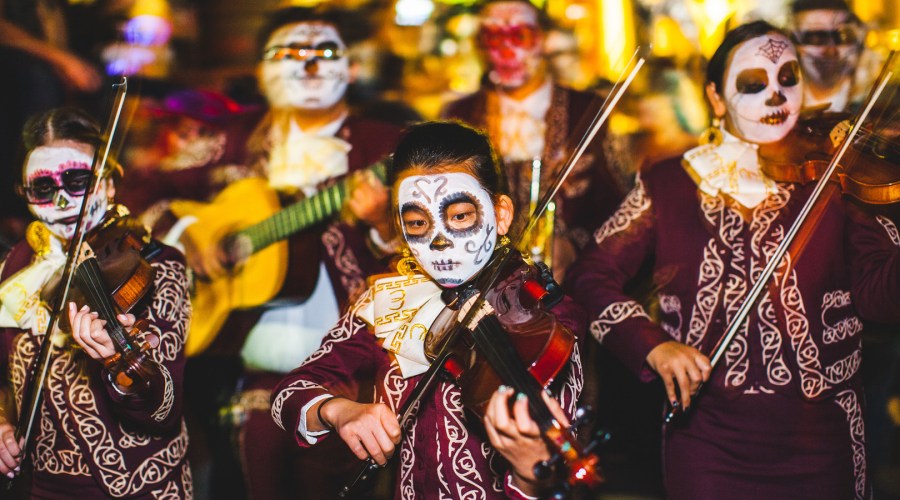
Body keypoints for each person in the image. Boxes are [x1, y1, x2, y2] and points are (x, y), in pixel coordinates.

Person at [566, 21, 900, 500]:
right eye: (753, 83)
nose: (776, 95)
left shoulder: (839, 175)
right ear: (716, 97)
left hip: (823, 441)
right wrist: (652, 345)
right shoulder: (671, 182)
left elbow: (880, 300)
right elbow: (590, 276)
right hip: (707, 441)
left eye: (788, 78)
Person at [271, 121, 586, 499]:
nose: (439, 241)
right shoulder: (389, 303)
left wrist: (530, 473)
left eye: (460, 216)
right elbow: (289, 393)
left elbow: (552, 480)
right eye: (418, 223)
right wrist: (337, 411)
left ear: (501, 214)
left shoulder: (546, 318)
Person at [167, 7, 403, 499]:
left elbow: (437, 244)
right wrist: (190, 233)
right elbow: (148, 188)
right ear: (261, 72)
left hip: (353, 365)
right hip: (243, 365)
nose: (309, 65)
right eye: (291, 52)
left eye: (325, 52)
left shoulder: (391, 146)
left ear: (352, 69)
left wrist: (384, 224)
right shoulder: (229, 140)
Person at [0, 107, 191, 498]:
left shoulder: (157, 265)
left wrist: (117, 360)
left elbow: (164, 409)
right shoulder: (16, 268)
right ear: (25, 194)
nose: (64, 202)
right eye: (43, 188)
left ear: (108, 184)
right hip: (39, 486)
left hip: (138, 487)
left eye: (78, 182)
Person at [441, 0, 624, 280]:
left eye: (519, 36)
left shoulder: (588, 110)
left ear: (544, 40)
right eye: (494, 38)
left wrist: (574, 245)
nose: (506, 50)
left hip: (571, 282)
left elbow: (622, 205)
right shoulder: (460, 115)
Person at [790, 0, 866, 112]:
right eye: (816, 38)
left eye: (842, 35)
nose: (831, 51)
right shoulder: (781, 107)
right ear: (793, 44)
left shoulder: (880, 102)